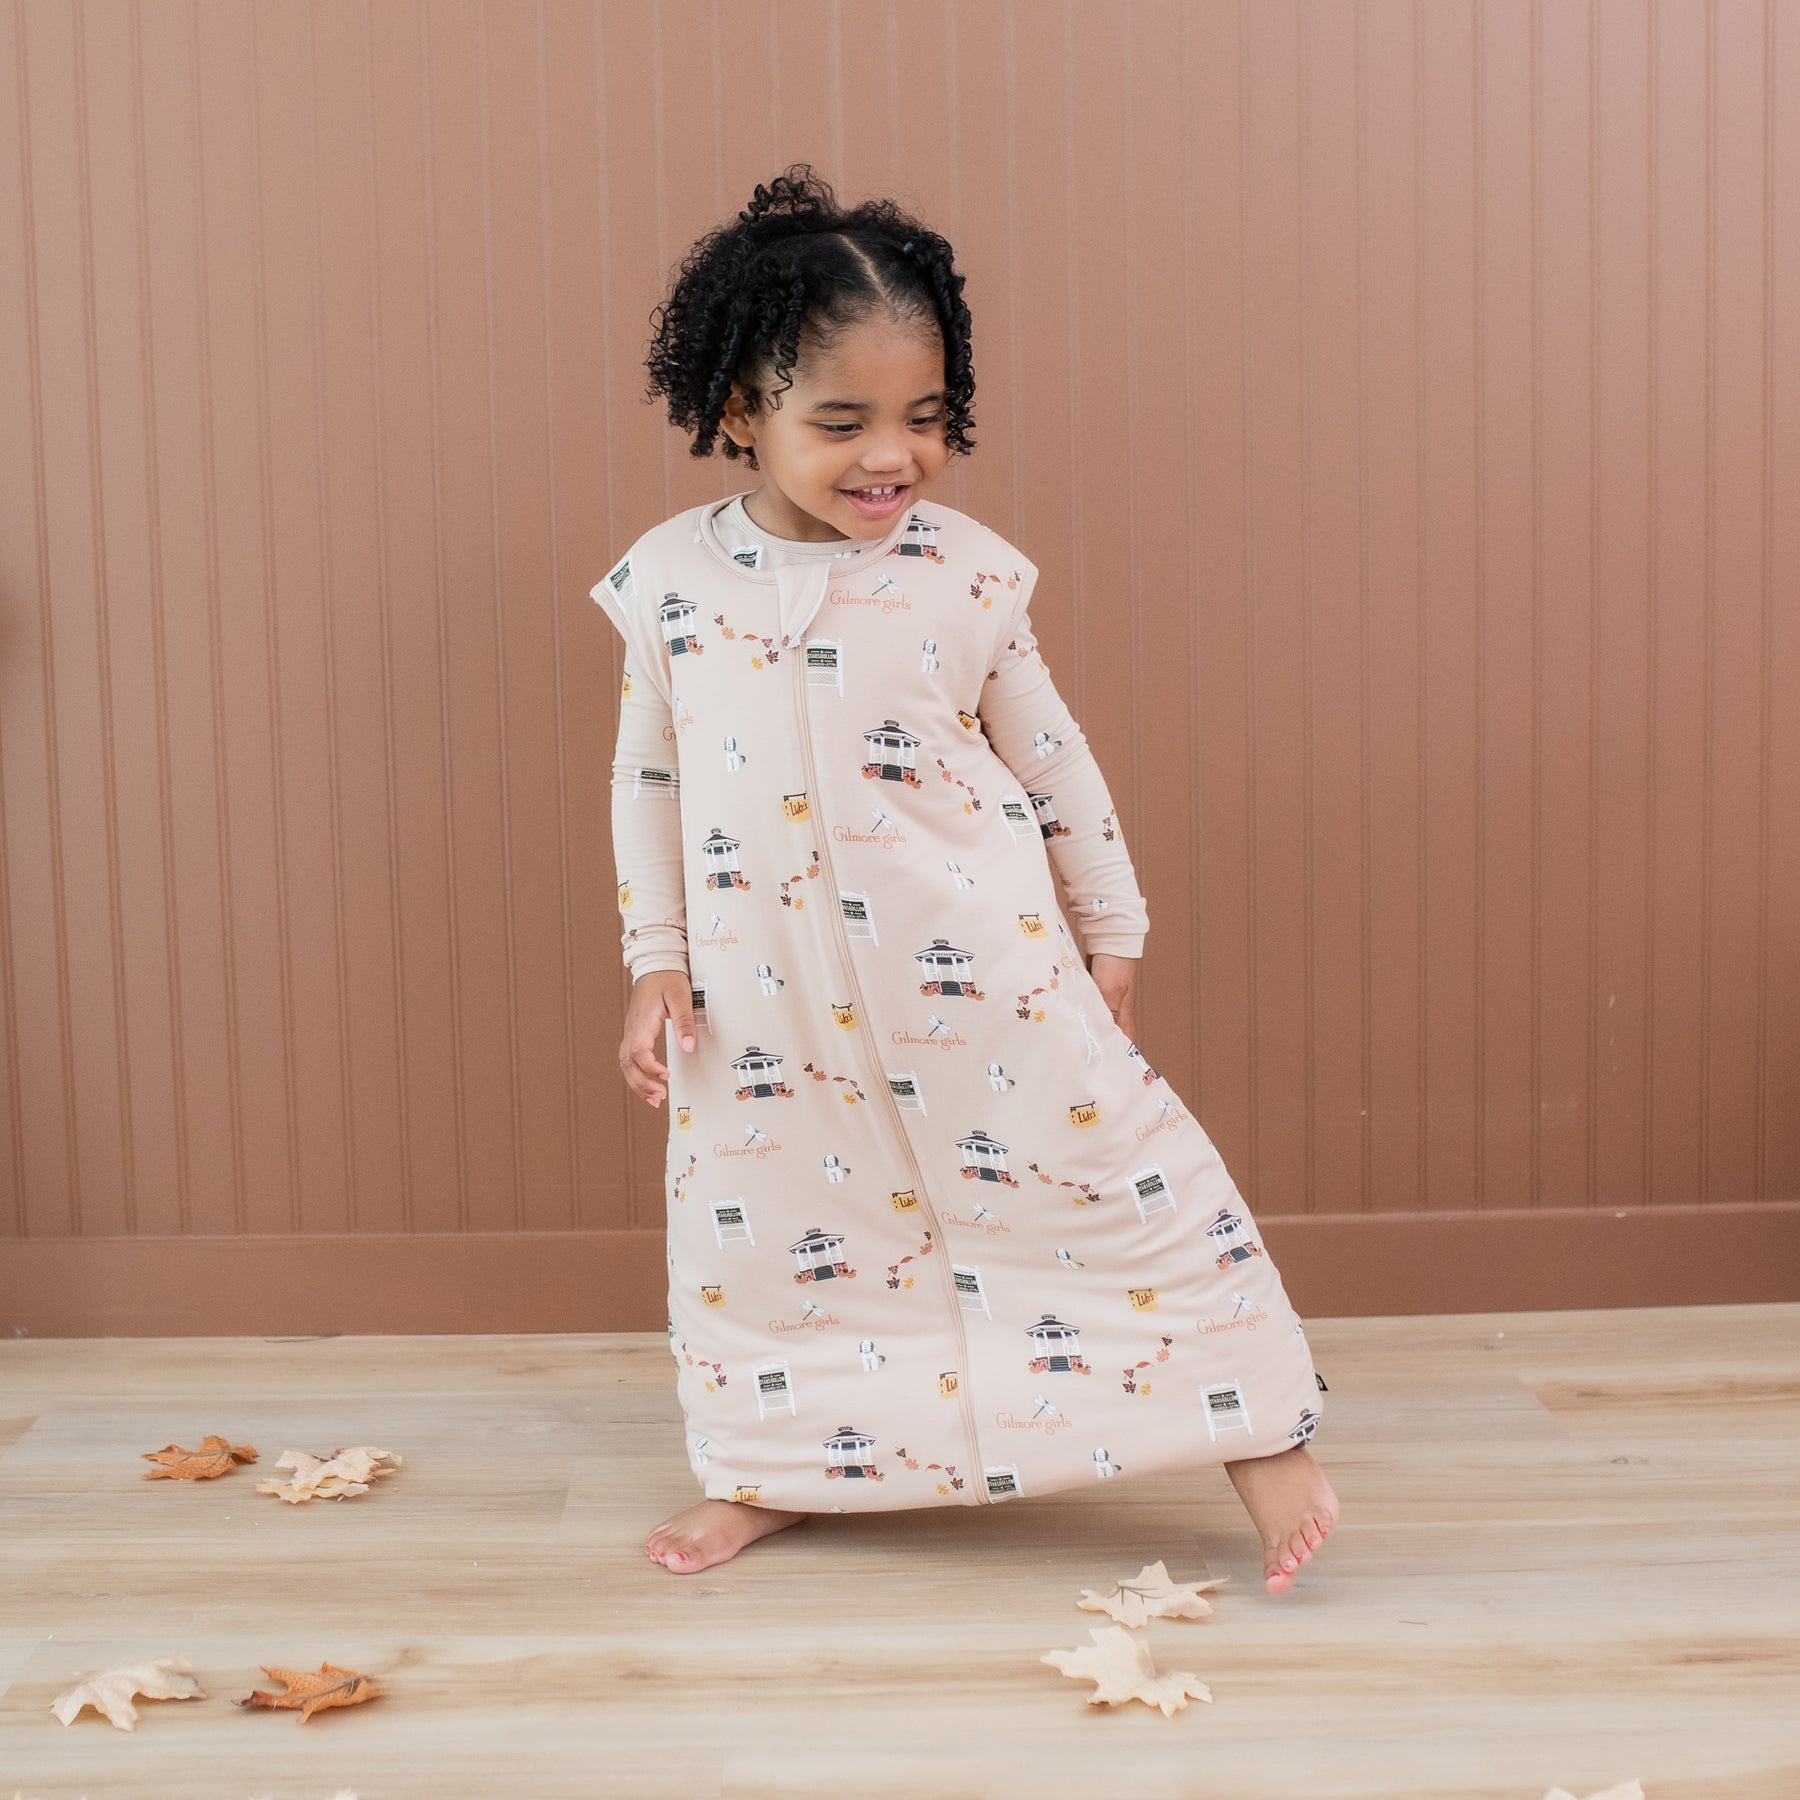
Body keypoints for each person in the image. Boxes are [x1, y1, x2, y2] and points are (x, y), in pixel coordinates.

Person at [590, 166, 1338, 1592]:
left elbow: (1056, 767)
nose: (895, 457)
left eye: (926, 419)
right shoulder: (667, 584)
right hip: (764, 990)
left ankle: (1262, 1435)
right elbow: (649, 782)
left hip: (979, 958)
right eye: (842, 423)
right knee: (783, 1240)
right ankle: (779, 1469)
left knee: (1115, 1180)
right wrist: (653, 959)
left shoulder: (967, 575)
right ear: (740, 416)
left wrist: (1110, 931)